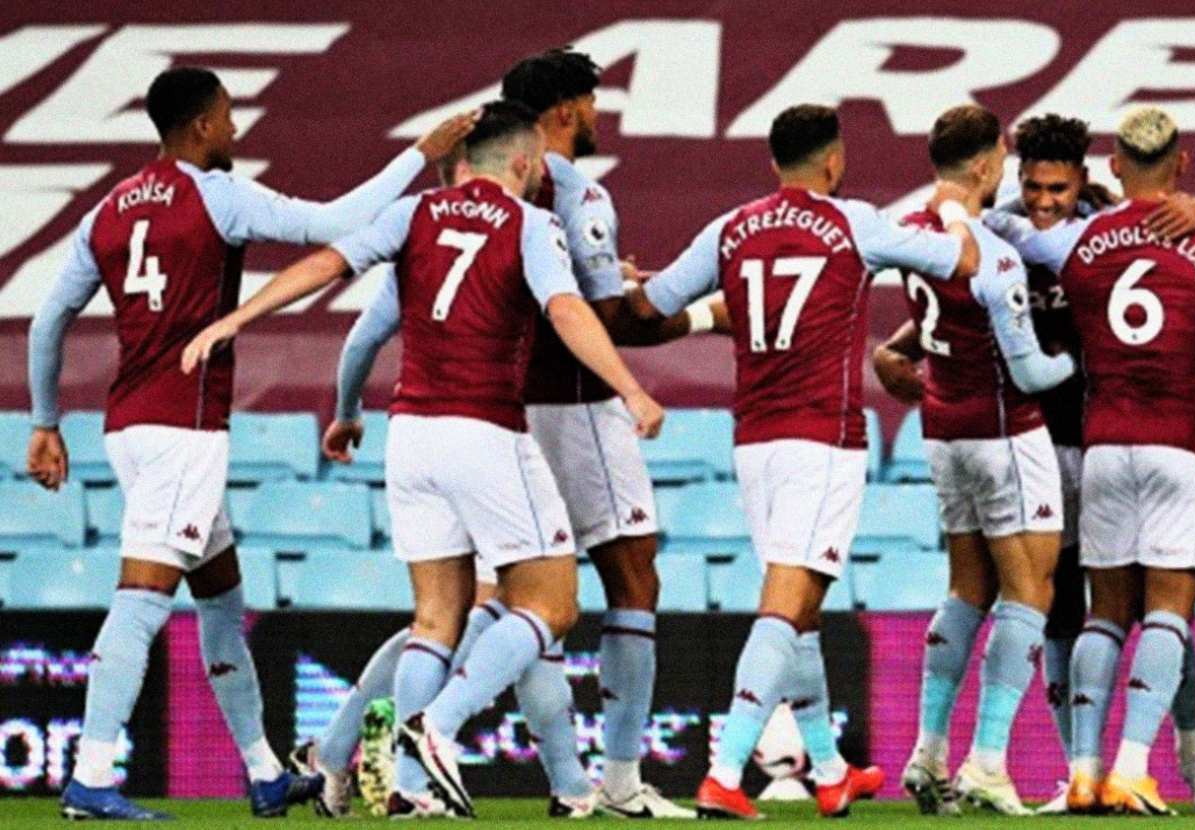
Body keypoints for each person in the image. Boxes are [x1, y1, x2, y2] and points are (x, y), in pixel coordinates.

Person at [181, 99, 664, 818]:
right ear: (526, 165)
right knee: (551, 604)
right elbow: (567, 312)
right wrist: (631, 390)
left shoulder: (413, 217)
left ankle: (409, 789)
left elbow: (327, 264)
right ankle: (436, 729)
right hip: (486, 431)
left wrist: (239, 317)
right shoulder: (531, 224)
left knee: (438, 616)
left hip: (410, 434)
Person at [24, 65, 471, 821]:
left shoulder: (104, 210)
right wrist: (417, 153)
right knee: (141, 600)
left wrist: (43, 423)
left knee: (223, 598)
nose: (237, 129)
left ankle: (266, 773)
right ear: (199, 126)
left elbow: (47, 322)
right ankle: (92, 775)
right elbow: (337, 222)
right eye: (228, 116)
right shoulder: (217, 195)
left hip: (130, 422)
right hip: (183, 427)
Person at [296, 49, 713, 819]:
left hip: (483, 416)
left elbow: (369, 329)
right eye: (589, 103)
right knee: (627, 582)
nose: (596, 116)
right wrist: (700, 306)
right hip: (572, 412)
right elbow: (599, 318)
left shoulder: (440, 208)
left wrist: (346, 409)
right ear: (560, 111)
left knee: (467, 609)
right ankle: (609, 777)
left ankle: (339, 751)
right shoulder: (573, 191)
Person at [876, 112, 1195, 815]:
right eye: (1033, 186)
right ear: (1016, 178)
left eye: (1057, 188)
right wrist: (898, 347)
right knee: (1064, 611)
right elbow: (958, 301)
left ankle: (1187, 748)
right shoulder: (1009, 230)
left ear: (1087, 179)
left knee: (1143, 603)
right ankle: (1082, 766)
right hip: (1041, 443)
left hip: (1097, 437)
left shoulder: (1099, 229)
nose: (1043, 200)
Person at [626, 103, 981, 819]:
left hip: (755, 440)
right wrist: (953, 212)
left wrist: (653, 286)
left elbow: (649, 306)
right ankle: (726, 772)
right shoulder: (854, 223)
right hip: (821, 437)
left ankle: (827, 771)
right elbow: (966, 265)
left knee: (805, 611)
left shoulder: (730, 228)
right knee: (787, 605)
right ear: (833, 162)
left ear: (772, 162)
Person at [991, 106, 1195, 815]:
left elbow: (1003, 236)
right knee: (1167, 610)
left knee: (1103, 615)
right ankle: (1134, 766)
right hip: (1178, 442)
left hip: (1101, 442)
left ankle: (1082, 772)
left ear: (1107, 170)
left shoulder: (1078, 242)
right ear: (1184, 165)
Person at [872, 105, 1076, 816]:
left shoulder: (912, 235)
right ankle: (987, 760)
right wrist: (1075, 360)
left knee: (966, 588)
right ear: (990, 162)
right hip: (1003, 431)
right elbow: (1028, 373)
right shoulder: (993, 253)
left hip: (941, 431)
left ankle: (927, 750)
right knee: (1030, 592)